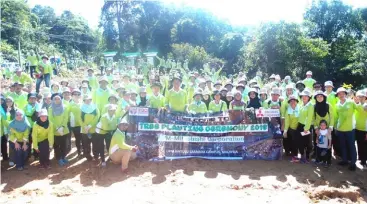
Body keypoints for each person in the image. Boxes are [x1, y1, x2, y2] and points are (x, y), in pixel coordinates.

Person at [334, 87, 358, 171]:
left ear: (345, 93)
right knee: (342, 146)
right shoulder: (337, 105)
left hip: (350, 129)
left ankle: (353, 163)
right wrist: (335, 127)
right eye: (339, 94)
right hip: (340, 129)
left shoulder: (351, 102)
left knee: (351, 146)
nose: (341, 95)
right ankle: (344, 160)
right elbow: (336, 117)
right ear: (337, 95)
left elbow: (359, 108)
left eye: (342, 93)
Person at [48, 93, 70, 167]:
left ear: (61, 100)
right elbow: (50, 119)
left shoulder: (65, 107)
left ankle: (63, 157)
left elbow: (66, 118)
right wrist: (57, 128)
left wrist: (62, 127)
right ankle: (59, 158)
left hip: (64, 129)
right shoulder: (50, 108)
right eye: (55, 99)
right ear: (53, 100)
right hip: (55, 130)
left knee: (64, 145)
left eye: (58, 99)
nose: (57, 100)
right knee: (57, 146)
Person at [313, 90, 334, 160]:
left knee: (327, 144)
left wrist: (330, 128)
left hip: (327, 129)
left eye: (321, 96)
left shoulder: (328, 105)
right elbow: (313, 117)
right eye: (317, 97)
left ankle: (328, 159)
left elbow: (332, 116)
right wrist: (316, 128)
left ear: (324, 97)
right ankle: (318, 158)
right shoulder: (314, 106)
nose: (319, 98)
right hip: (318, 129)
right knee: (318, 144)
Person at [80, 95, 100, 161]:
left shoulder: (95, 107)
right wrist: (84, 126)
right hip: (85, 130)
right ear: (84, 101)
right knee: (86, 144)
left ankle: (96, 155)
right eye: (86, 100)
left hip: (93, 129)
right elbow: (79, 118)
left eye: (89, 100)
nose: (88, 101)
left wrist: (90, 125)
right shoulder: (81, 108)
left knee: (95, 143)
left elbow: (97, 117)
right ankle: (88, 156)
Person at [297, 90, 314, 163]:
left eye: (306, 96)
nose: (304, 97)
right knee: (300, 142)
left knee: (308, 142)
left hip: (307, 126)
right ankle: (302, 155)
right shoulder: (301, 105)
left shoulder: (310, 105)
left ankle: (307, 156)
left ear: (309, 97)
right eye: (303, 96)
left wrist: (306, 128)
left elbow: (309, 117)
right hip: (300, 125)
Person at [284, 95, 300, 162]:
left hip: (299, 128)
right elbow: (287, 121)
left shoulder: (300, 109)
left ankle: (298, 154)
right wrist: (285, 131)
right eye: (291, 101)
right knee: (292, 141)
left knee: (299, 142)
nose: (293, 102)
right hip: (291, 129)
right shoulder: (288, 111)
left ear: (296, 101)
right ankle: (293, 154)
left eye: (294, 100)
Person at [355, 90, 367, 169]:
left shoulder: (365, 105)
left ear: (365, 97)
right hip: (357, 128)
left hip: (365, 129)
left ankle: (364, 161)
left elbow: (363, 109)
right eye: (359, 96)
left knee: (364, 145)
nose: (360, 98)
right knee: (359, 144)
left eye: (361, 96)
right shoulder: (357, 104)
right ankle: (361, 159)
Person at [69, 89, 83, 158]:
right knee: (78, 139)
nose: (77, 96)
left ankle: (83, 151)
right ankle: (79, 152)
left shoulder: (82, 103)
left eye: (78, 94)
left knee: (83, 138)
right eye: (75, 94)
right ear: (72, 96)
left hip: (82, 124)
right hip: (75, 125)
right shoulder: (70, 104)